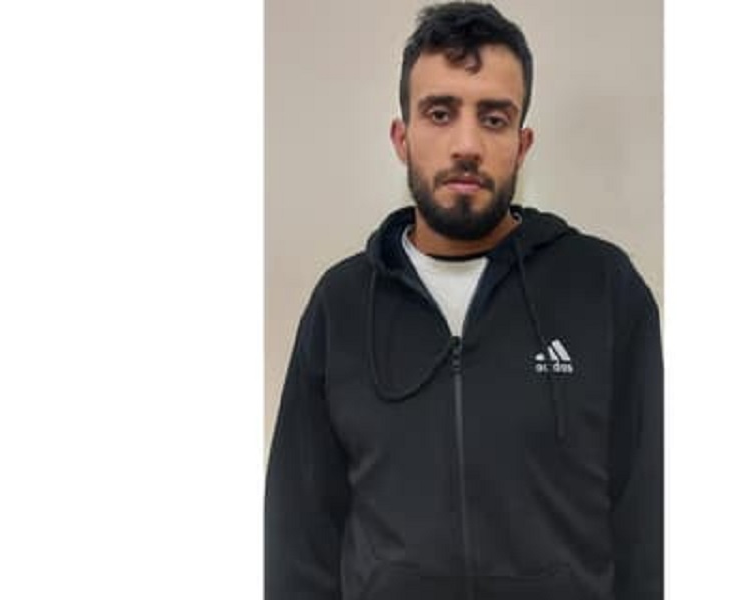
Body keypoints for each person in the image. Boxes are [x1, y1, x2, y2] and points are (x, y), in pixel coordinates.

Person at [265, 2, 662, 599]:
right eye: (440, 113)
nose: (467, 144)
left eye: (494, 118)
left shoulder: (603, 289)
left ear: (522, 144)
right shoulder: (340, 306)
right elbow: (298, 540)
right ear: (402, 138)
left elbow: (648, 523)